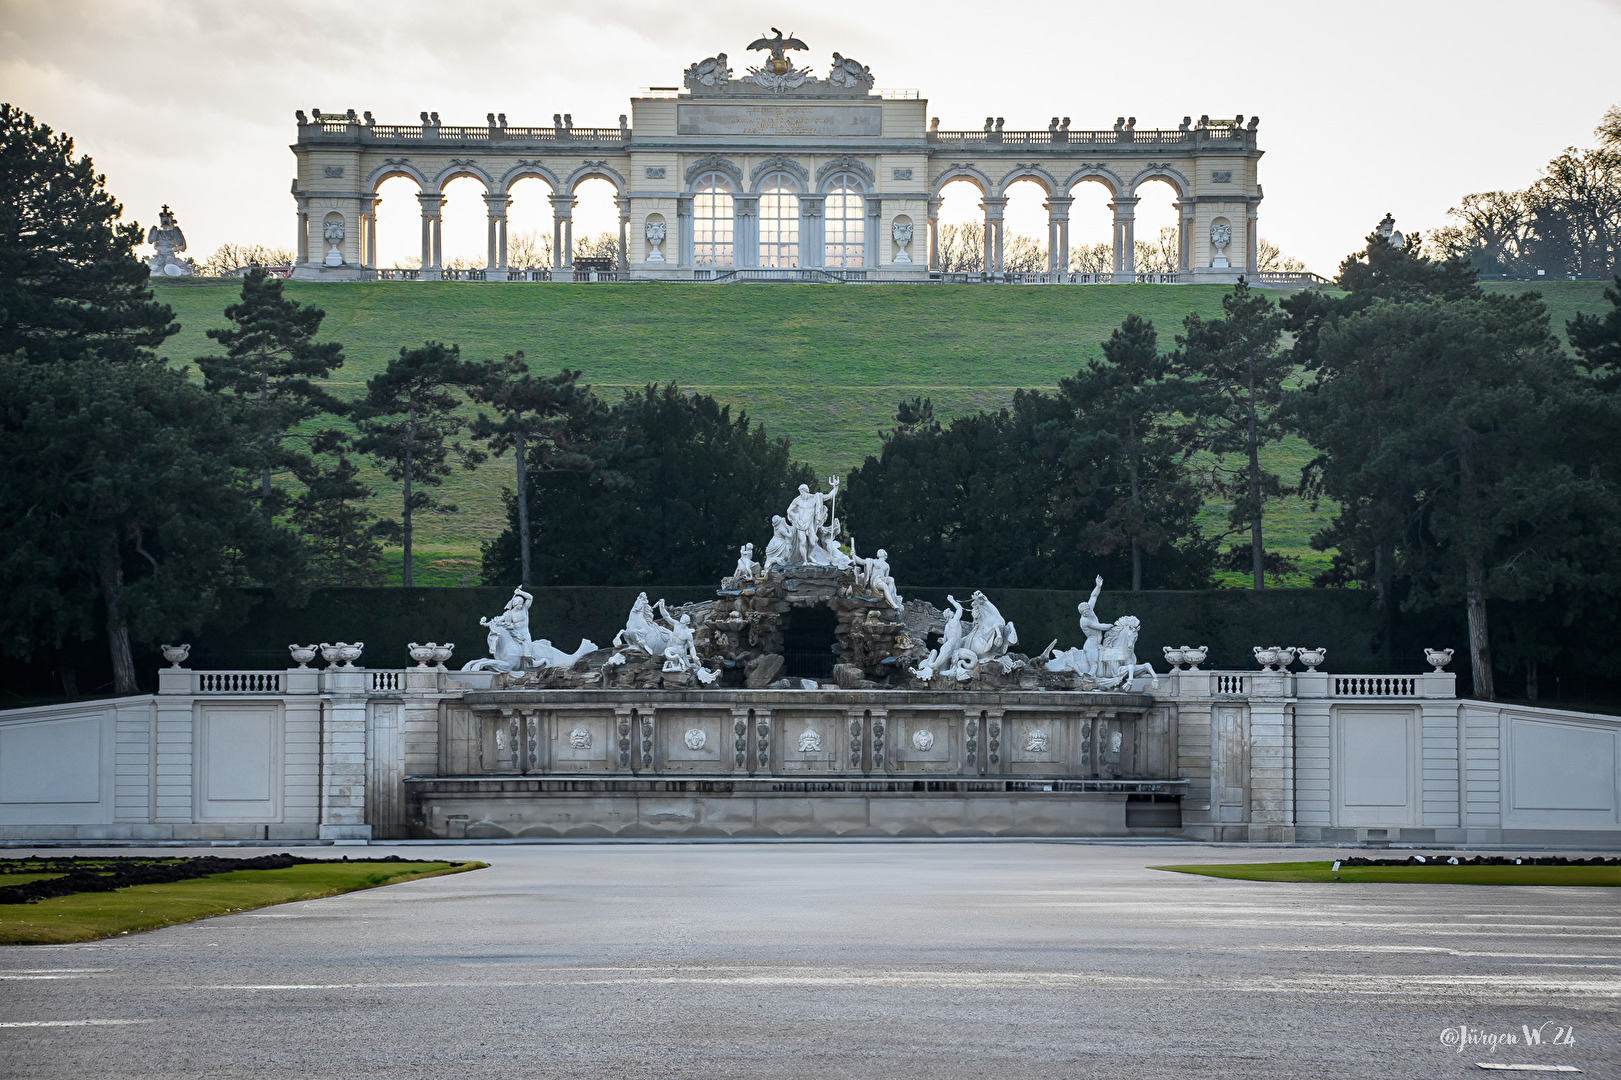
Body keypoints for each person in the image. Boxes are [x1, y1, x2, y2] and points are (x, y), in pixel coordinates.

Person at [1078, 575, 1112, 675]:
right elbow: (1099, 626)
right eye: (1083, 613)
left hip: (1096, 641)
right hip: (1091, 643)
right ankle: (1088, 679)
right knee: (1094, 665)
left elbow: (1093, 596)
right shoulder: (1085, 621)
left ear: (1089, 608)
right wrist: (1111, 626)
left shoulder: (1090, 609)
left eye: (1086, 611)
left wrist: (1098, 586)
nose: (1086, 613)